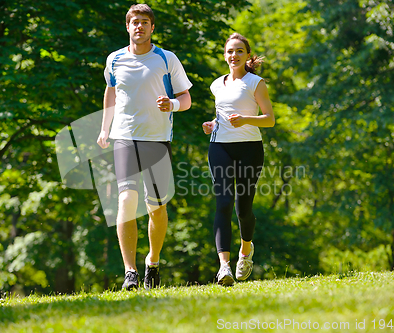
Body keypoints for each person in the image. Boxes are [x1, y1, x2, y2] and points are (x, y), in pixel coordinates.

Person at [97, 4, 192, 290]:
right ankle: (130, 272)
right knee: (126, 201)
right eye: (134, 22)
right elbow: (111, 93)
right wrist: (104, 128)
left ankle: (153, 259)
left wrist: (172, 104)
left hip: (157, 139)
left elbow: (186, 99)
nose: (139, 26)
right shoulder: (114, 60)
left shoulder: (166, 58)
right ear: (127, 27)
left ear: (152, 28)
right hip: (124, 137)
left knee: (156, 207)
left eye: (144, 22)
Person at [202, 33, 275, 286]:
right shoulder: (216, 85)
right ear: (225, 55)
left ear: (247, 55)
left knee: (243, 208)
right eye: (230, 51)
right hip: (219, 147)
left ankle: (246, 250)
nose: (234, 55)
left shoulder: (256, 83)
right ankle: (224, 267)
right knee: (223, 202)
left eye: (239, 51)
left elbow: (269, 119)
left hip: (249, 149)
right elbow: (220, 115)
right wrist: (212, 124)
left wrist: (245, 120)